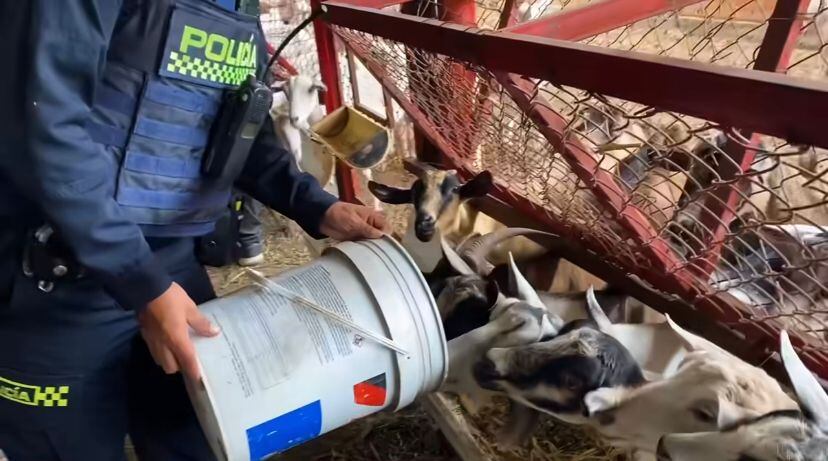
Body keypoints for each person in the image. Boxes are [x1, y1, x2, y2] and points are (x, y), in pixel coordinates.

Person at [0, 1, 386, 460]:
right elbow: (41, 124)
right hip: (55, 274)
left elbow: (240, 125)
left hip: (172, 270)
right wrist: (141, 283)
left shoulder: (236, 8)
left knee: (199, 440)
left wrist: (317, 206)